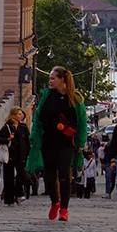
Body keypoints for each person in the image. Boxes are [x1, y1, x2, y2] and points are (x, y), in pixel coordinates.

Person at [26, 66, 88, 223]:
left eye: (53, 78)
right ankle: (55, 202)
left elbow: (82, 122)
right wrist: (34, 136)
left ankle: (64, 209)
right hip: (49, 141)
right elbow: (38, 118)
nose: (50, 81)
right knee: (49, 176)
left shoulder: (75, 99)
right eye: (50, 78)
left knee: (64, 175)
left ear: (62, 80)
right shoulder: (47, 96)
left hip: (67, 142)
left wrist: (81, 142)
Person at [0, 107, 30, 206]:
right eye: (19, 114)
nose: (21, 116)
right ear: (13, 115)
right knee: (8, 178)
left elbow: (27, 141)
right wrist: (8, 138)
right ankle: (9, 199)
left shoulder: (23, 127)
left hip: (21, 155)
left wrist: (28, 153)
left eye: (21, 114)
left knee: (22, 176)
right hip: (10, 156)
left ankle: (18, 193)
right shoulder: (7, 127)